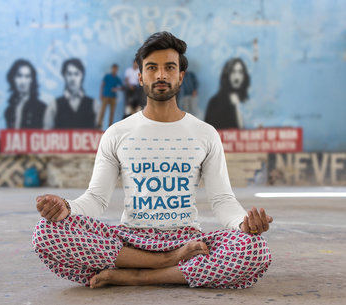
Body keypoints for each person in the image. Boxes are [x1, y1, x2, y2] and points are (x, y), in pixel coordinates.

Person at [33, 32, 272, 289]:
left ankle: (137, 275)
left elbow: (222, 200)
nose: (161, 75)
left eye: (170, 67)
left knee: (254, 248)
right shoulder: (117, 133)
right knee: (47, 232)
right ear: (140, 76)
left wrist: (243, 225)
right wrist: (66, 209)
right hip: (128, 241)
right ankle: (167, 264)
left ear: (181, 76)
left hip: (186, 240)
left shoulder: (205, 134)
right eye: (152, 68)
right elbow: (96, 199)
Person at [44, 58, 97, 129]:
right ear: (64, 76)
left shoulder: (94, 104)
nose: (73, 78)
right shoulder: (54, 104)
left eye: (76, 74)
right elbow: (47, 132)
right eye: (69, 74)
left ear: (82, 76)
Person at [205, 58, 250, 129]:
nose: (237, 76)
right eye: (233, 72)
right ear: (227, 75)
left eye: (240, 72)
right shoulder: (215, 102)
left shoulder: (245, 101)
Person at [4, 59, 46, 129]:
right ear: (13, 78)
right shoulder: (9, 110)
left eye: (27, 76)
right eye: (19, 76)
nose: (23, 81)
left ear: (32, 80)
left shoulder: (41, 108)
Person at [96, 64, 123, 129]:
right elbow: (102, 85)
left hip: (113, 97)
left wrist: (116, 89)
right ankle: (99, 124)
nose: (115, 70)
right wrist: (101, 94)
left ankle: (110, 125)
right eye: (114, 69)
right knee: (103, 110)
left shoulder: (117, 78)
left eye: (116, 69)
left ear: (117, 70)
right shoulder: (107, 76)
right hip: (105, 95)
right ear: (112, 69)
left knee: (112, 112)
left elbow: (122, 87)